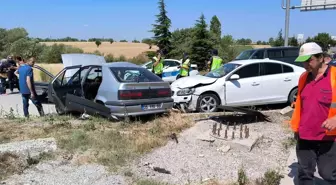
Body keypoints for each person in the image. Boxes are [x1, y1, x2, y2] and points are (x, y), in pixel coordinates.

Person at [290, 42, 336, 185]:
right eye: (303, 61)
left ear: (321, 57)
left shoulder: (334, 76)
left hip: (328, 138)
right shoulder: (304, 77)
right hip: (305, 135)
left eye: (309, 60)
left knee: (327, 174)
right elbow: (301, 105)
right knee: (304, 174)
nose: (306, 64)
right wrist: (296, 128)